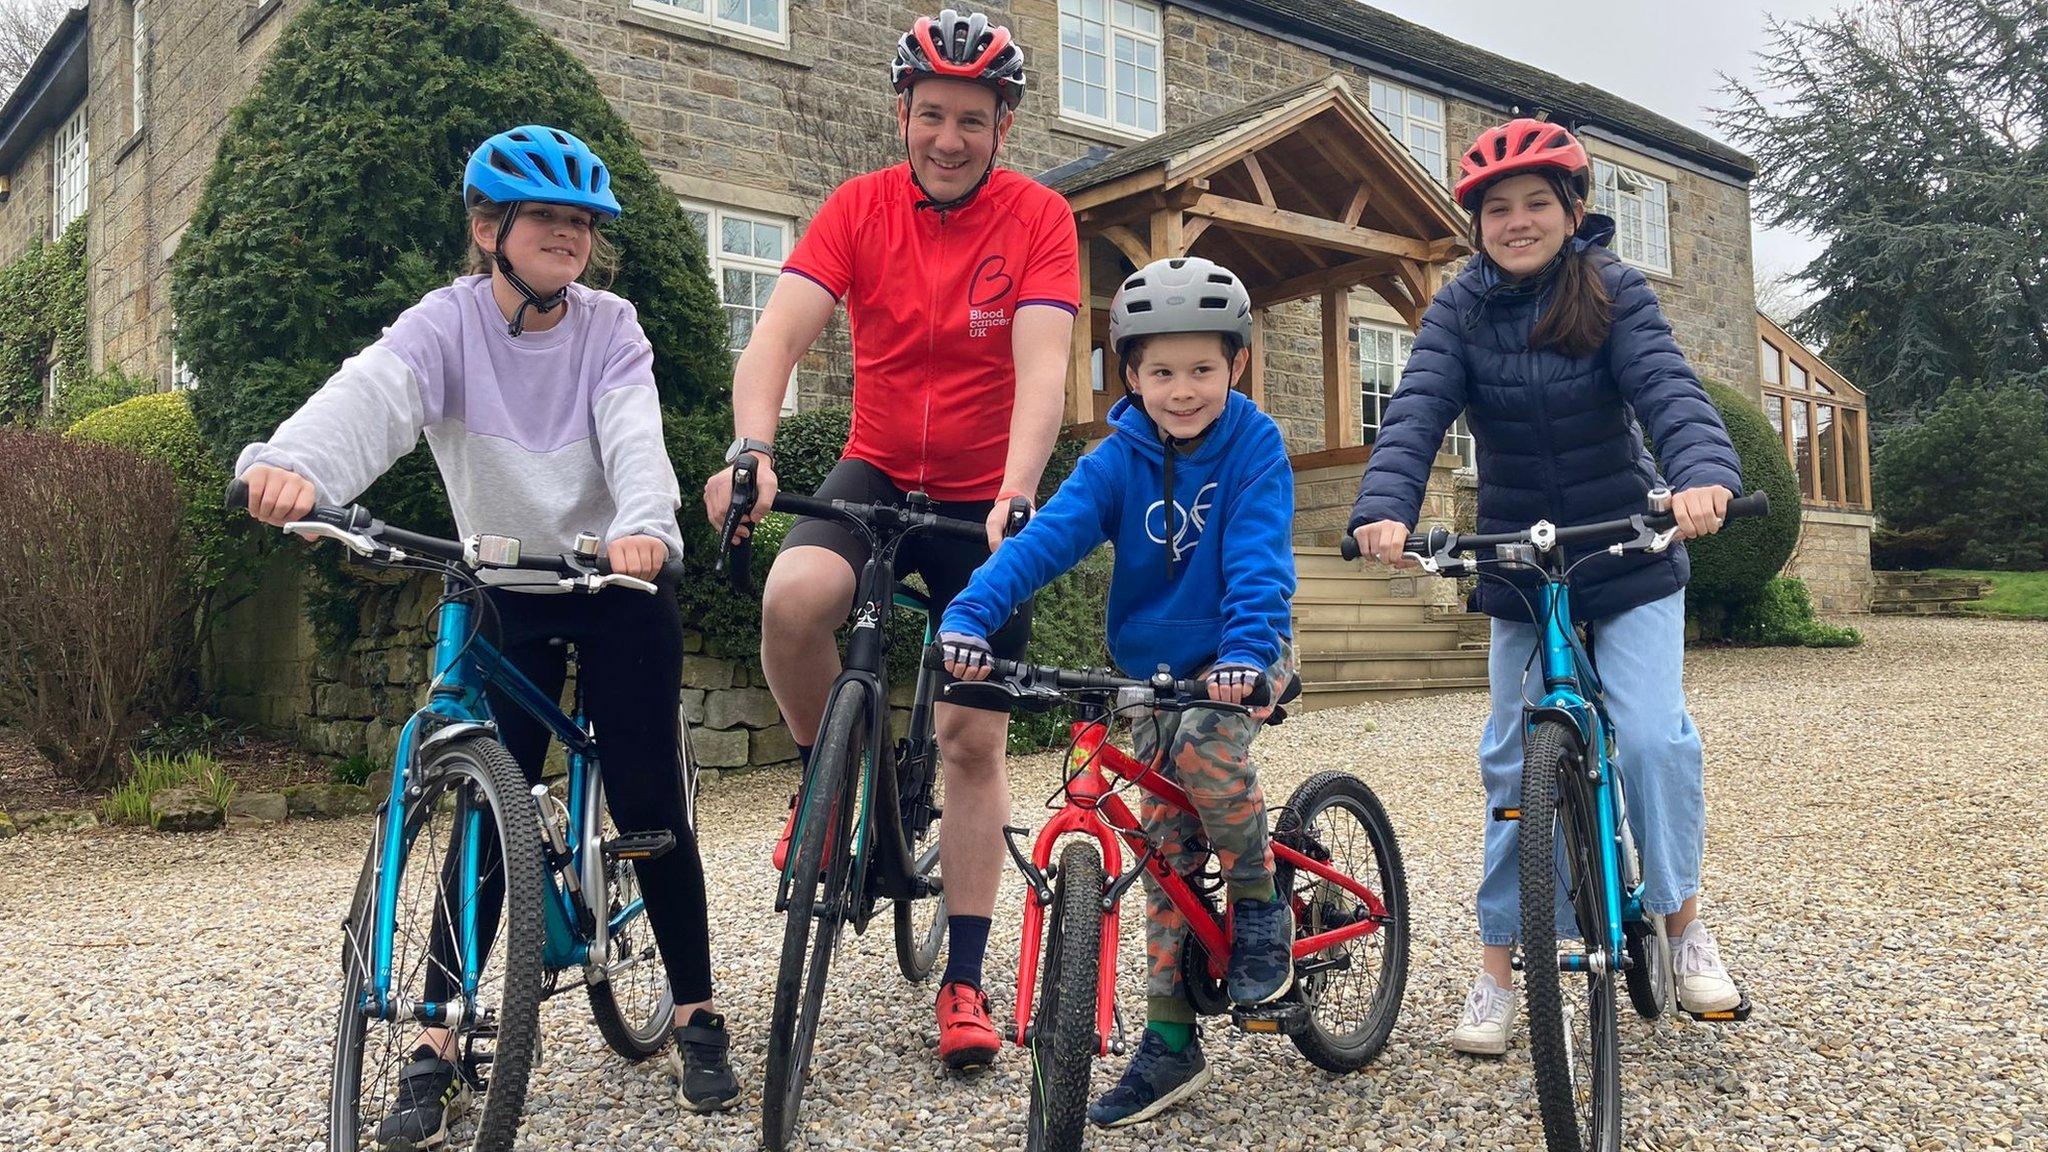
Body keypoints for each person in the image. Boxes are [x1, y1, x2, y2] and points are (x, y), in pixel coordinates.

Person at [234, 125, 740, 1135]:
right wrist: (292, 466)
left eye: (581, 223)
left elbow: (634, 433)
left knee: (645, 804)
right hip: (507, 584)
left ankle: (695, 1012)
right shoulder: (444, 326)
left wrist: (643, 528)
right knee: (484, 812)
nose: (567, 237)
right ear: (487, 228)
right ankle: (434, 1037)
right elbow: (370, 396)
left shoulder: (610, 328)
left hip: (615, 582)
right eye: (545, 218)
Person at [699, 8, 1078, 1072]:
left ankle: (962, 976)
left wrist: (1015, 491)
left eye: (971, 118)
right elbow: (775, 334)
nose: (947, 138)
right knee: (790, 601)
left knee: (969, 740)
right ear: (901, 112)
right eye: (929, 115)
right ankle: (833, 785)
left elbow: (1043, 369)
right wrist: (750, 449)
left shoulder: (1040, 217)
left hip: (978, 494)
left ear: (1002, 125)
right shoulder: (857, 209)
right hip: (875, 468)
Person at [1347, 118, 1747, 1057]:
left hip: (1629, 550)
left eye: (1536, 203)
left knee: (1650, 737)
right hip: (1521, 562)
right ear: (1476, 223)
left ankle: (1683, 925)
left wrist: (1700, 473)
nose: (1517, 221)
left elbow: (1668, 390)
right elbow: (1415, 411)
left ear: (1573, 211)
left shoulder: (1615, 291)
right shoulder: (1458, 310)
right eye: (1497, 208)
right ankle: (1496, 971)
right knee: (1508, 762)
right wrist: (1383, 505)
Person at [939, 256, 1296, 1127]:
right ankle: (1170, 1045)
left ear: (1236, 365)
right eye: (1162, 372)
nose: (1183, 390)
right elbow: (1046, 540)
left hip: (1243, 651)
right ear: (1129, 376)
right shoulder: (1116, 458)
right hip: (1149, 673)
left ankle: (1258, 903)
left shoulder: (1255, 445)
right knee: (1164, 847)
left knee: (1210, 752)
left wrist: (1248, 653)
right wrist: (973, 613)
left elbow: (1256, 559)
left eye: (1203, 369)